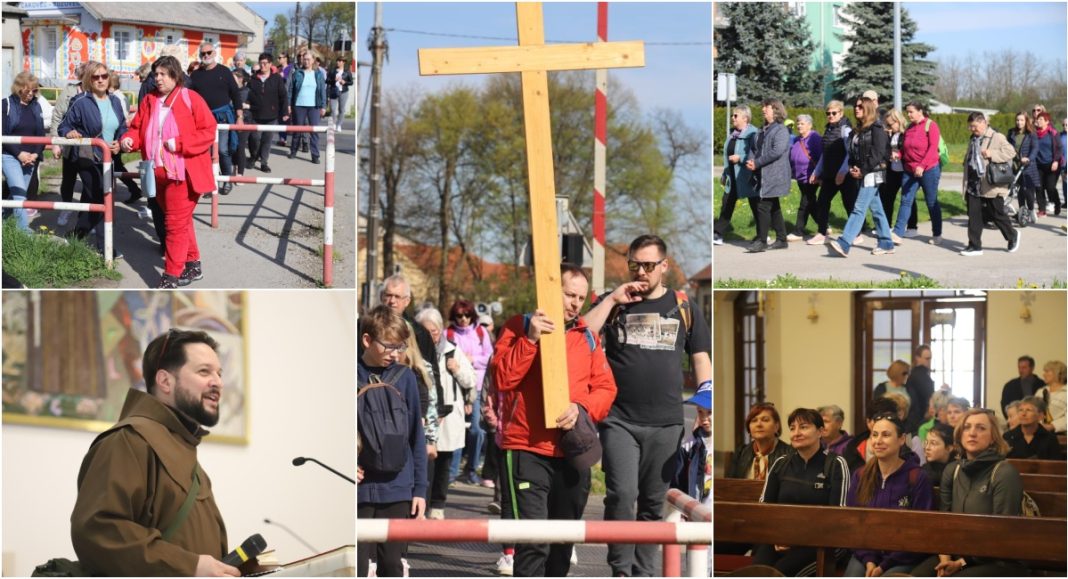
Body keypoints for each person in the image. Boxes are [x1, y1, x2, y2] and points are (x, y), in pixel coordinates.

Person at [582, 234, 712, 577]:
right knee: (622, 494)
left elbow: (701, 358)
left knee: (653, 504)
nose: (641, 272)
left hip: (667, 423)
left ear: (664, 267)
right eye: (635, 265)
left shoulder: (684, 306)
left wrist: (704, 401)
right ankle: (620, 570)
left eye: (648, 265)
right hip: (619, 420)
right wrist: (611, 299)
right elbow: (582, 337)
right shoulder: (615, 303)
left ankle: (643, 573)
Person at [70, 329, 236, 577]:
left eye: (219, 374)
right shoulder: (130, 440)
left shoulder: (184, 450)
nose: (218, 383)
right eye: (204, 371)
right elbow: (98, 530)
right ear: (165, 381)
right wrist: (190, 567)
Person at [493, 263, 617, 577]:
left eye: (580, 297)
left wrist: (581, 407)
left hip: (572, 451)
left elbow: (605, 387)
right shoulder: (517, 326)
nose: (575, 303)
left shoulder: (587, 336)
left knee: (563, 544)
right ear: (551, 291)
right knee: (534, 543)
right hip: (527, 448)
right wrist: (530, 340)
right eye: (568, 295)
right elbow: (501, 380)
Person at [121, 55, 217, 288]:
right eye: (156, 74)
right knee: (180, 222)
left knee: (174, 224)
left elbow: (208, 130)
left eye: (163, 74)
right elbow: (137, 127)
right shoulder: (150, 100)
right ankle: (193, 265)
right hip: (156, 172)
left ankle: (171, 276)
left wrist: (180, 143)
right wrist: (128, 140)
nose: (158, 78)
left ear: (176, 76)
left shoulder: (190, 98)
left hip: (182, 174)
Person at [911, 409, 1026, 577]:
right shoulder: (952, 470)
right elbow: (944, 520)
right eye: (967, 427)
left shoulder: (1004, 472)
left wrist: (962, 563)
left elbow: (1002, 533)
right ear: (960, 434)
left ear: (993, 436)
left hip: (998, 560)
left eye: (981, 428)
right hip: (954, 554)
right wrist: (945, 559)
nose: (972, 433)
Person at [357, 306, 428, 578]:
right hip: (361, 490)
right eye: (389, 347)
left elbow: (416, 438)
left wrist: (420, 489)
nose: (396, 354)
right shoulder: (349, 373)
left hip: (398, 488)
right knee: (359, 566)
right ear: (367, 340)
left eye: (400, 347)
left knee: (391, 565)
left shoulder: (406, 377)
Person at [753, 408, 850, 577]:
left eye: (803, 427)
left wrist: (797, 538)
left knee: (781, 572)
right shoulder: (780, 463)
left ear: (820, 432)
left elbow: (838, 518)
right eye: (792, 428)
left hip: (821, 542)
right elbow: (765, 508)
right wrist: (777, 537)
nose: (796, 433)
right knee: (758, 572)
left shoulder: (836, 464)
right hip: (779, 538)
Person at [843, 413, 934, 577]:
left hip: (903, 558)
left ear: (901, 439)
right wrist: (869, 560)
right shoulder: (861, 475)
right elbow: (853, 524)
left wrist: (884, 566)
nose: (878, 441)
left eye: (886, 435)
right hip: (865, 554)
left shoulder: (916, 477)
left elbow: (919, 532)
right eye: (874, 435)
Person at [58, 63, 126, 256]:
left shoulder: (115, 101)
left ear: (109, 78)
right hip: (87, 156)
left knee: (91, 198)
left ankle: (76, 236)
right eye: (95, 77)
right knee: (101, 197)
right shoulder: (80, 101)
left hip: (108, 158)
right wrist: (69, 132)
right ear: (89, 79)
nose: (100, 80)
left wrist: (120, 141)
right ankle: (105, 249)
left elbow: (121, 127)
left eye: (104, 76)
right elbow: (63, 126)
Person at [414, 307, 475, 520]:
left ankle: (438, 505)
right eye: (425, 330)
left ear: (440, 330)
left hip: (448, 417)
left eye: (434, 331)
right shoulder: (414, 351)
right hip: (426, 418)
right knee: (424, 463)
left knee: (444, 462)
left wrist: (457, 369)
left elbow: (471, 380)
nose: (431, 335)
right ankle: (423, 503)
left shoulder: (453, 351)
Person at [829, 95, 897, 257]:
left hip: (874, 173)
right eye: (855, 107)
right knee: (877, 209)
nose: (856, 109)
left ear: (868, 109)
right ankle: (886, 242)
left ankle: (844, 242)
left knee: (859, 208)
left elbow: (879, 153)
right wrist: (853, 167)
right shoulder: (857, 130)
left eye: (860, 107)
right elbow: (853, 152)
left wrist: (863, 170)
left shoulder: (877, 128)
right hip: (862, 172)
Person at [377, 275, 443, 424]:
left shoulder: (419, 333)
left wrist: (438, 408)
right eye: (388, 295)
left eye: (397, 297)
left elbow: (431, 370)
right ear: (381, 297)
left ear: (407, 301)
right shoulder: (364, 326)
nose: (392, 301)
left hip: (410, 400)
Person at [444, 300, 494, 486]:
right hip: (455, 388)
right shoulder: (448, 334)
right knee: (455, 429)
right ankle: (451, 472)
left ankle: (471, 470)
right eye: (459, 316)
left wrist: (472, 359)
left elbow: (490, 356)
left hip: (478, 387)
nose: (463, 319)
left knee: (477, 431)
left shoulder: (481, 333)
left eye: (466, 315)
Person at [959, 112, 1020, 257]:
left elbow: (1011, 152)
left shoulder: (996, 136)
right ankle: (975, 246)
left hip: (991, 183)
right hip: (974, 182)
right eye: (970, 127)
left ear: (983, 123)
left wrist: (991, 153)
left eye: (974, 126)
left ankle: (1012, 235)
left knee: (996, 214)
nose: (972, 129)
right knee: (974, 215)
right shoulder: (973, 138)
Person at [190, 42, 243, 196]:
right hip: (203, 119)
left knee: (222, 150)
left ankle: (227, 180)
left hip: (223, 116)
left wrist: (239, 116)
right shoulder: (196, 74)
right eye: (203, 54)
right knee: (205, 152)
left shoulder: (225, 71)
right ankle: (208, 184)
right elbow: (190, 98)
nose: (206, 56)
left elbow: (236, 94)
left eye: (209, 53)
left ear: (215, 53)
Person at [744, 99, 791, 252]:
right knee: (774, 207)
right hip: (761, 174)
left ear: (775, 110)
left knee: (763, 205)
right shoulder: (761, 130)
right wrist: (751, 160)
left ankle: (762, 241)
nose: (763, 109)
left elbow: (776, 152)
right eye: (763, 107)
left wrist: (757, 163)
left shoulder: (781, 130)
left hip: (774, 175)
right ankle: (782, 239)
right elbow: (753, 147)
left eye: (766, 107)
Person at [894, 101, 944, 244]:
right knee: (905, 200)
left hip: (928, 170)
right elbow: (906, 148)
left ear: (920, 111)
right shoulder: (909, 128)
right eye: (907, 112)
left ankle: (937, 234)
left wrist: (922, 166)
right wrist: (899, 155)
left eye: (911, 112)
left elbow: (933, 148)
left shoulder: (931, 126)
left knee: (931, 202)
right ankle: (897, 233)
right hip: (910, 170)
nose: (908, 115)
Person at [808, 100, 856, 245]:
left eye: (833, 113)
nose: (830, 116)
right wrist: (817, 171)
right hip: (829, 174)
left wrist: (842, 172)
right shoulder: (828, 129)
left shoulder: (846, 130)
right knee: (822, 202)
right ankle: (822, 233)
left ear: (841, 113)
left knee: (849, 204)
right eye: (828, 113)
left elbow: (850, 153)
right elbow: (825, 153)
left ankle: (856, 233)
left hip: (844, 175)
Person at [2, 72, 45, 233]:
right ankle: (24, 233)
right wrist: (19, 154)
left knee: (16, 196)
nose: (30, 94)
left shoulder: (36, 105)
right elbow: (3, 135)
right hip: (10, 156)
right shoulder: (5, 104)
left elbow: (40, 134)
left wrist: (34, 154)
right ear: (18, 88)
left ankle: (4, 224)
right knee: (20, 196)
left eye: (34, 91)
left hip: (30, 158)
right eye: (27, 90)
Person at [713, 106, 758, 246]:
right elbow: (727, 154)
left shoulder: (753, 133)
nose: (733, 118)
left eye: (735, 115)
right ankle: (718, 233)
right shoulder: (734, 134)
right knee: (727, 202)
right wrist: (725, 173)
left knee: (756, 205)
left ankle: (762, 234)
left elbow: (756, 153)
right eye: (733, 115)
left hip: (747, 176)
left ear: (745, 118)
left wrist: (741, 158)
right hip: (732, 176)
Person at [50, 63, 87, 227]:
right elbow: (57, 116)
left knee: (89, 182)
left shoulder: (98, 92)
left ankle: (86, 217)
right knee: (68, 180)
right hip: (69, 144)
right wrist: (55, 142)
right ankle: (66, 207)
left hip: (90, 145)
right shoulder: (69, 91)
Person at [671, 381, 711, 510]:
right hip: (697, 513)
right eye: (700, 412)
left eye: (709, 412)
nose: (704, 418)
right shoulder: (690, 445)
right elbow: (677, 482)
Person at [247, 53, 289, 174]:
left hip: (271, 115)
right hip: (255, 115)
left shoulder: (277, 79)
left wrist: (285, 111)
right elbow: (247, 95)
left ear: (270, 64)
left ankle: (264, 162)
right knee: (254, 139)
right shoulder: (253, 79)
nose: (263, 65)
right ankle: (254, 156)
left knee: (267, 140)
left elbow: (283, 96)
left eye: (265, 63)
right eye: (261, 63)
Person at [728, 402, 790, 479]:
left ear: (776, 426)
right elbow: (729, 486)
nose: (759, 424)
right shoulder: (740, 453)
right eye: (754, 420)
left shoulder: (790, 454)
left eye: (765, 420)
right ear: (749, 428)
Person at [787, 113, 823, 242]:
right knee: (811, 203)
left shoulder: (815, 138)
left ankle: (798, 231)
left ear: (809, 125)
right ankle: (823, 225)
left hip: (811, 176)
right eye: (798, 123)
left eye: (802, 123)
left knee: (805, 202)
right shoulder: (797, 139)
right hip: (800, 177)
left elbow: (821, 157)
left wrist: (819, 175)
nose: (799, 126)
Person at [287, 51, 326, 164]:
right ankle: (293, 151)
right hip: (299, 105)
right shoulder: (297, 73)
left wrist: (323, 106)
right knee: (297, 130)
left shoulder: (318, 74)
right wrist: (289, 104)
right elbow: (291, 90)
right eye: (304, 59)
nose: (306, 61)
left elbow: (322, 91)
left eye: (308, 59)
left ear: (313, 60)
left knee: (314, 131)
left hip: (314, 106)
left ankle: (315, 155)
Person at [1008, 112, 1040, 224]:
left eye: (1021, 120)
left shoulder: (1031, 134)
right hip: (1016, 166)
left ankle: (1031, 210)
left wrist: (1029, 158)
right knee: (1020, 190)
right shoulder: (1011, 133)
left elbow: (1035, 148)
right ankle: (1022, 212)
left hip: (1028, 167)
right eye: (1017, 120)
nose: (1019, 122)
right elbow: (1007, 146)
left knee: (1029, 192)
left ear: (1026, 121)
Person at [878, 108, 906, 228]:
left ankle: (911, 226)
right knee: (887, 197)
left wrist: (898, 153)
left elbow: (908, 150)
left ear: (898, 121)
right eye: (887, 124)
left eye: (891, 124)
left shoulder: (906, 134)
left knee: (907, 200)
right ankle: (886, 225)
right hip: (892, 170)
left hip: (904, 170)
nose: (889, 126)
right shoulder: (891, 134)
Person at [1032, 112, 1063, 217]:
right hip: (1038, 164)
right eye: (1038, 119)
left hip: (1051, 164)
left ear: (1047, 122)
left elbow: (1059, 148)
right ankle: (1042, 209)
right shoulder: (1034, 133)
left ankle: (1057, 203)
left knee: (1050, 187)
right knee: (1039, 187)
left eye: (1041, 119)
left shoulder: (1053, 133)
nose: (1038, 121)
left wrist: (1055, 161)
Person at [902, 345, 936, 434]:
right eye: (927, 358)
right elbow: (930, 395)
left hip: (914, 419)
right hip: (918, 419)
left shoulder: (916, 374)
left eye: (930, 358)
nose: (929, 361)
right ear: (918, 358)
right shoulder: (920, 375)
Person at [230, 69, 250, 187]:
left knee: (241, 147)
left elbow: (257, 105)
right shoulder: (230, 91)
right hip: (231, 120)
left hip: (245, 121)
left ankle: (240, 173)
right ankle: (234, 168)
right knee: (232, 146)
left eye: (234, 78)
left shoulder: (248, 91)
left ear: (241, 79)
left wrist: (246, 106)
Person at [922, 422, 956, 487]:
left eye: (933, 443)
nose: (927, 448)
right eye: (926, 442)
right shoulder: (923, 472)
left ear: (949, 448)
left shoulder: (958, 473)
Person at [1037, 360, 1066, 434]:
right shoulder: (1040, 392)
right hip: (1037, 434)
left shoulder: (1065, 393)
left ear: (1058, 373)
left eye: (1047, 371)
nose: (1044, 374)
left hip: (1060, 436)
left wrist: (1052, 426)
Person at [327, 57, 352, 132]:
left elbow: (351, 82)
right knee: (333, 109)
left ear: (343, 62)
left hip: (343, 92)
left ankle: (339, 125)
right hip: (334, 91)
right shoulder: (332, 71)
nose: (338, 62)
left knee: (341, 109)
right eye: (337, 61)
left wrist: (345, 82)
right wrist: (333, 80)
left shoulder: (347, 72)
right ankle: (333, 124)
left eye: (340, 61)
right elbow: (327, 81)